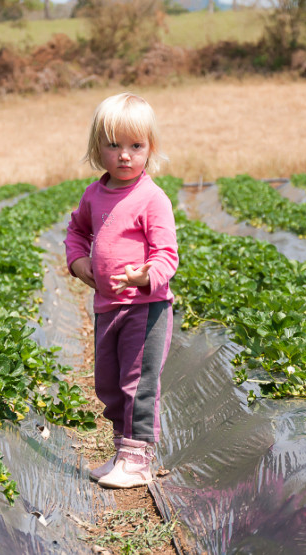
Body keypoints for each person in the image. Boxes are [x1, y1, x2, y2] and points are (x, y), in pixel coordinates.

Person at [64, 92, 178, 489]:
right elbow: (77, 231)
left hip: (145, 308)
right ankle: (121, 452)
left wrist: (146, 276)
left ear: (150, 149)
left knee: (138, 383)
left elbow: (167, 254)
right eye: (114, 145)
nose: (125, 155)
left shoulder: (152, 198)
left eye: (136, 146)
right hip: (107, 305)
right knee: (108, 383)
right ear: (97, 148)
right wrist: (78, 262)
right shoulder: (93, 195)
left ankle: (138, 458)